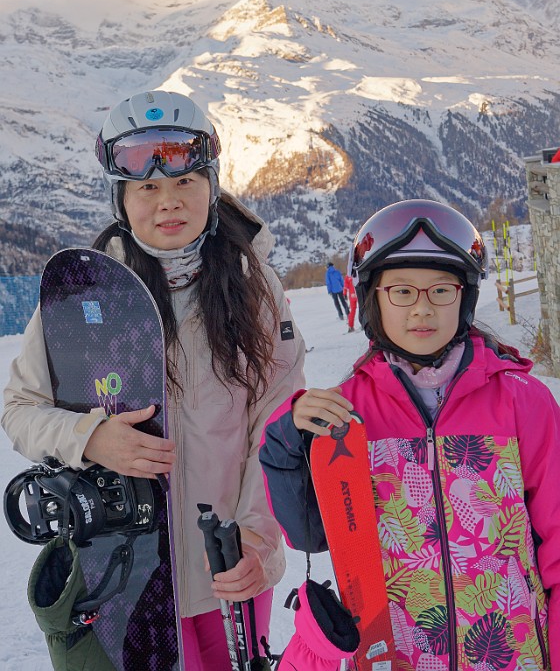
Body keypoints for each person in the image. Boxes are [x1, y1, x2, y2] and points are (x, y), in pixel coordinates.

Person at [2, 89, 306, 670]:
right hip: (127, 569)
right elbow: (20, 409)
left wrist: (256, 542)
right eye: (147, 187)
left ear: (211, 187)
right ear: (121, 196)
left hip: (229, 564)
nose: (169, 201)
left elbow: (277, 423)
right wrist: (90, 438)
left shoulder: (254, 288)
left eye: (186, 182)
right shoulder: (81, 297)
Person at [260, 199, 559, 669]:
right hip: (397, 654)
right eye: (401, 291)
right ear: (373, 299)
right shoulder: (347, 414)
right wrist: (285, 445)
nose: (423, 309)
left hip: (513, 651)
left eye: (441, 290)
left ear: (465, 297)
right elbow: (312, 537)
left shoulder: (522, 401)